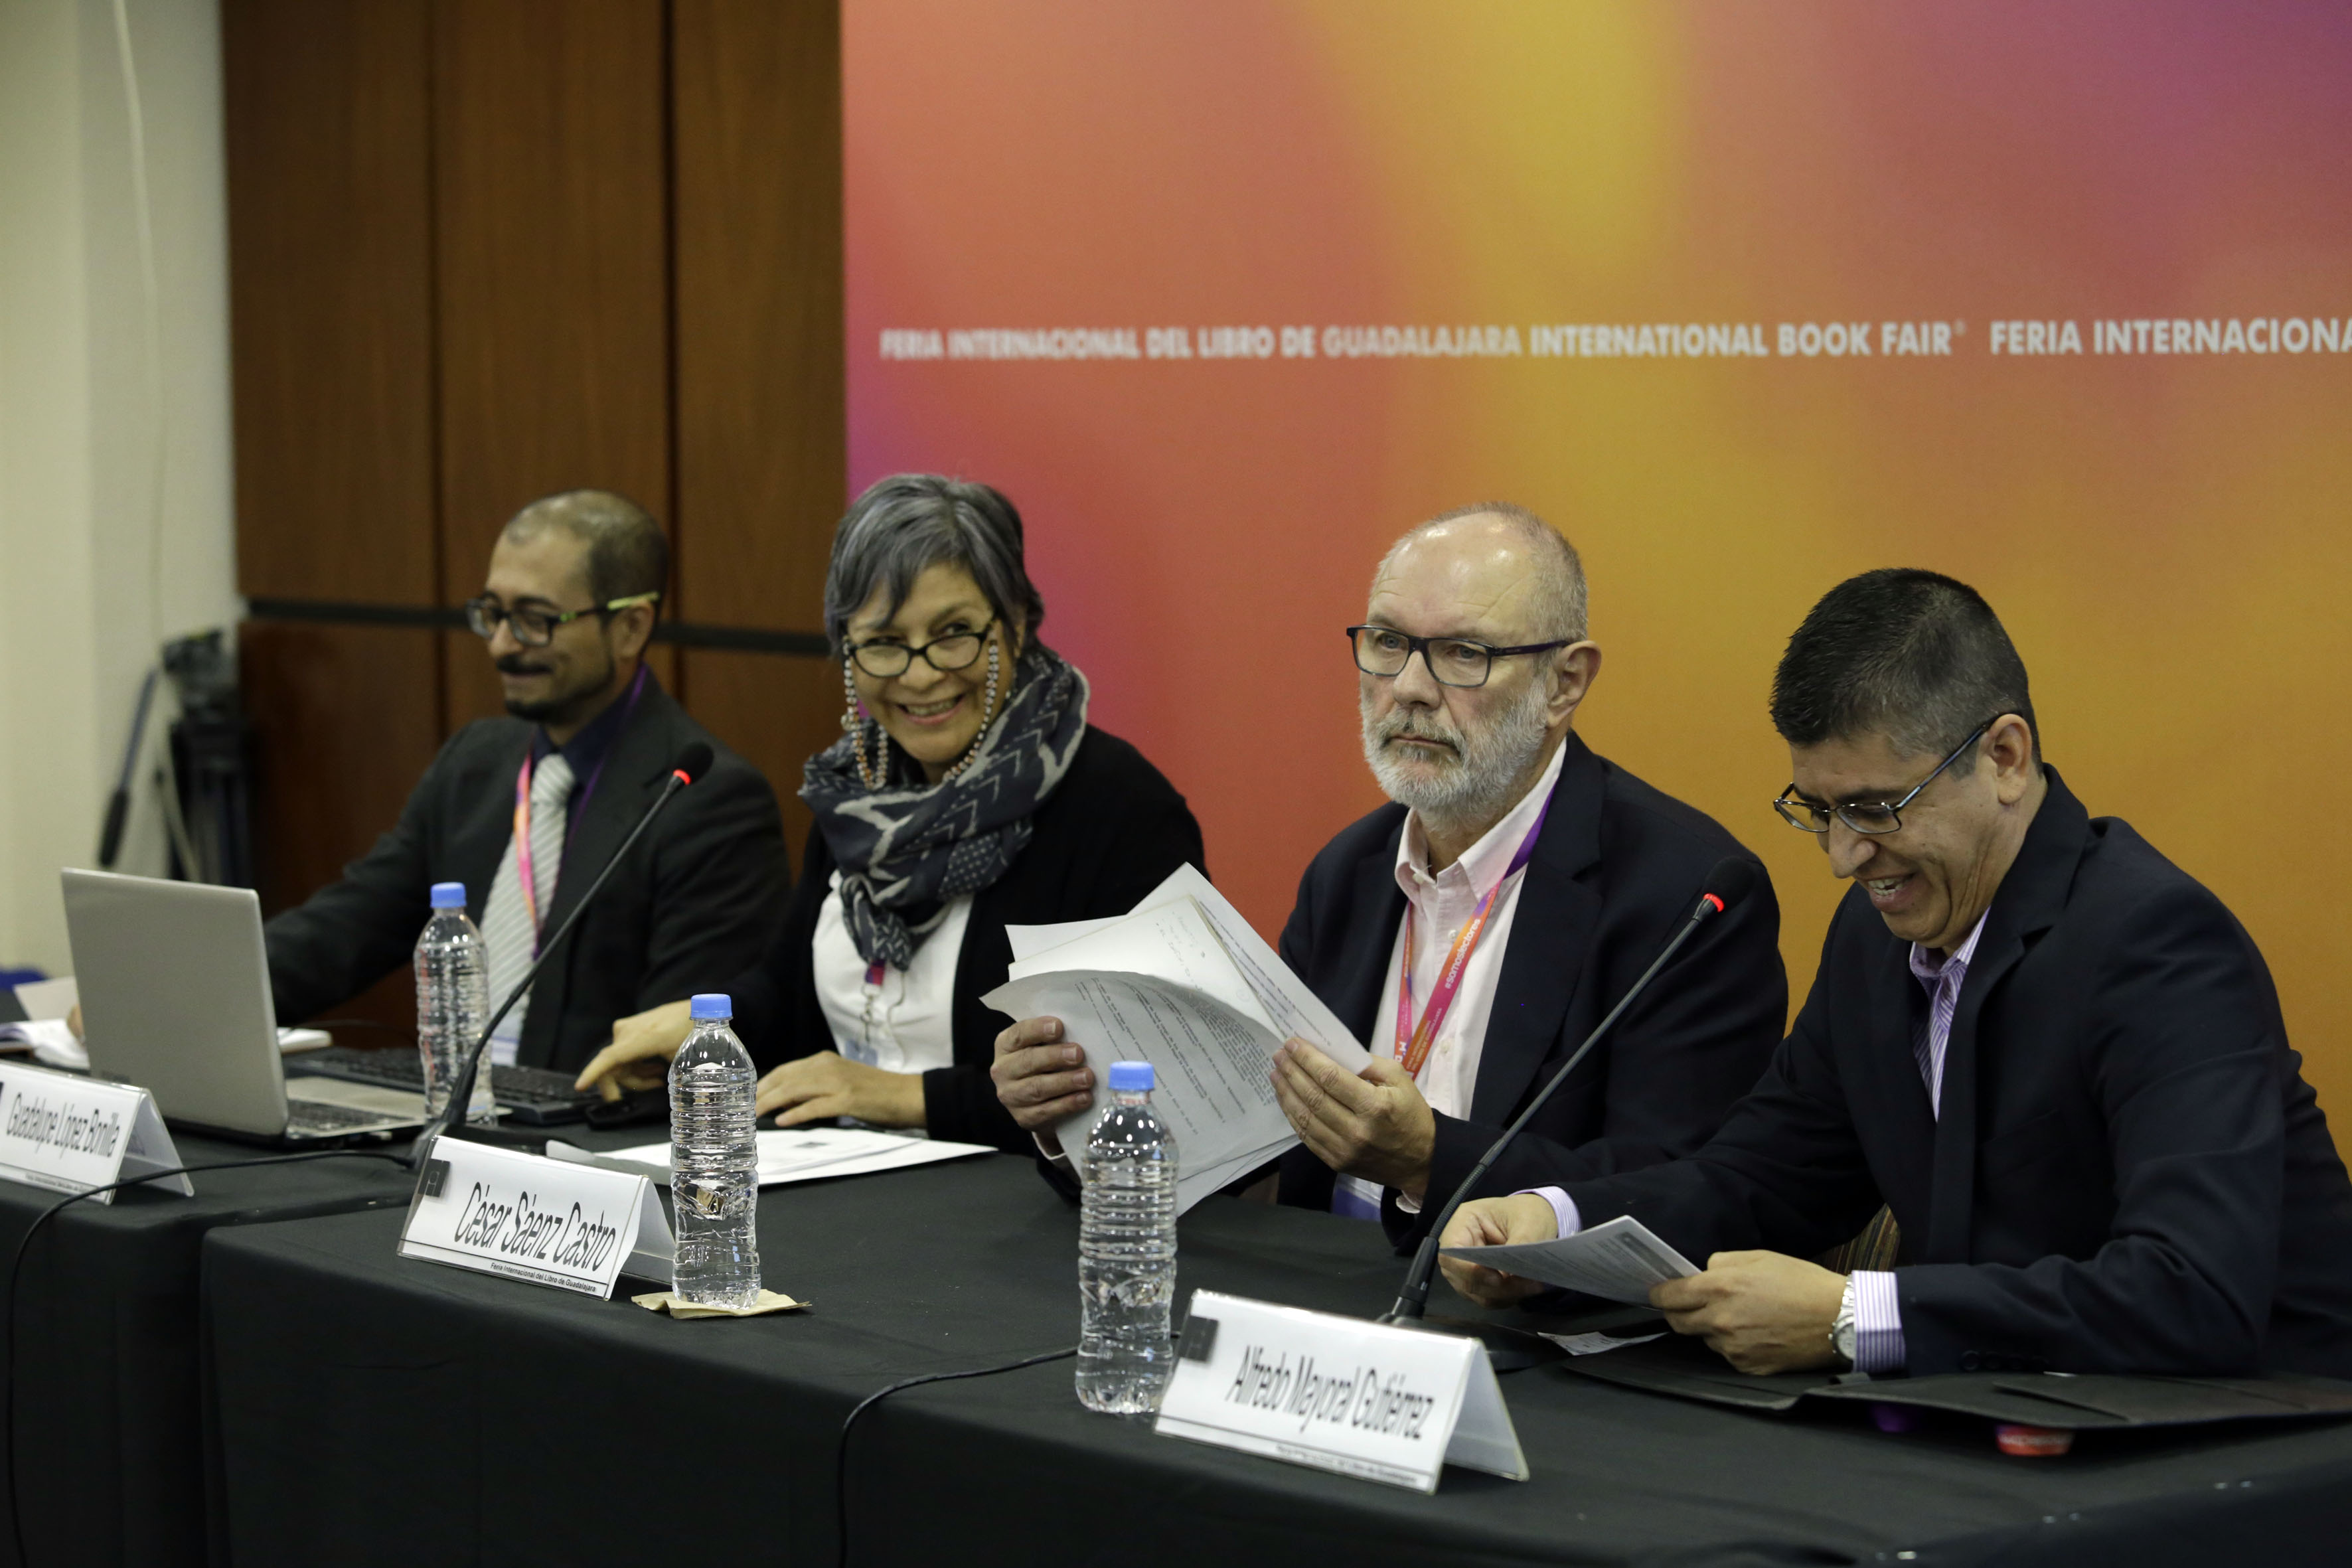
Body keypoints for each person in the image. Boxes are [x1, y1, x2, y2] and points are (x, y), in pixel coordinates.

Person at [1442, 568, 2352, 1378]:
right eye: (1817, 809)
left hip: (2261, 1440)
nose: (1843, 856)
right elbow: (1763, 1177)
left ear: (2003, 757)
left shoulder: (2156, 944)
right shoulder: (1874, 937)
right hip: (2012, 1418)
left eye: (1876, 808)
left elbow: (2191, 1291)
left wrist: (1853, 1316)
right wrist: (1554, 1223)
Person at [994, 505, 1786, 1233]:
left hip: (1527, 1322)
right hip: (1315, 1302)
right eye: (1387, 644)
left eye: (1464, 654)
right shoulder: (1350, 872)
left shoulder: (1686, 895)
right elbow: (1248, 1156)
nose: (1409, 689)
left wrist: (1428, 1160)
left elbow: (1681, 1188)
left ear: (1565, 682)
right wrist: (1082, 1116)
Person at [574, 474, 1205, 1153]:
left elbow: (1144, 1085)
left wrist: (907, 1098)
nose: (921, 673)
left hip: (1021, 1204)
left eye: (955, 633)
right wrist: (709, 1029)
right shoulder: (858, 797)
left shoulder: (1120, 810)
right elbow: (789, 996)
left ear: (1017, 625)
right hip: (841, 1183)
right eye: (884, 641)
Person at [264, 489, 788, 1074]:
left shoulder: (705, 801)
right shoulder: (475, 763)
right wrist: (212, 984)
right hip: (449, 1106)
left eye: (535, 620)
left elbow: (678, 1050)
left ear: (630, 627)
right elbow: (350, 926)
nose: (502, 645)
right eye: (492, 613)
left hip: (586, 1121)